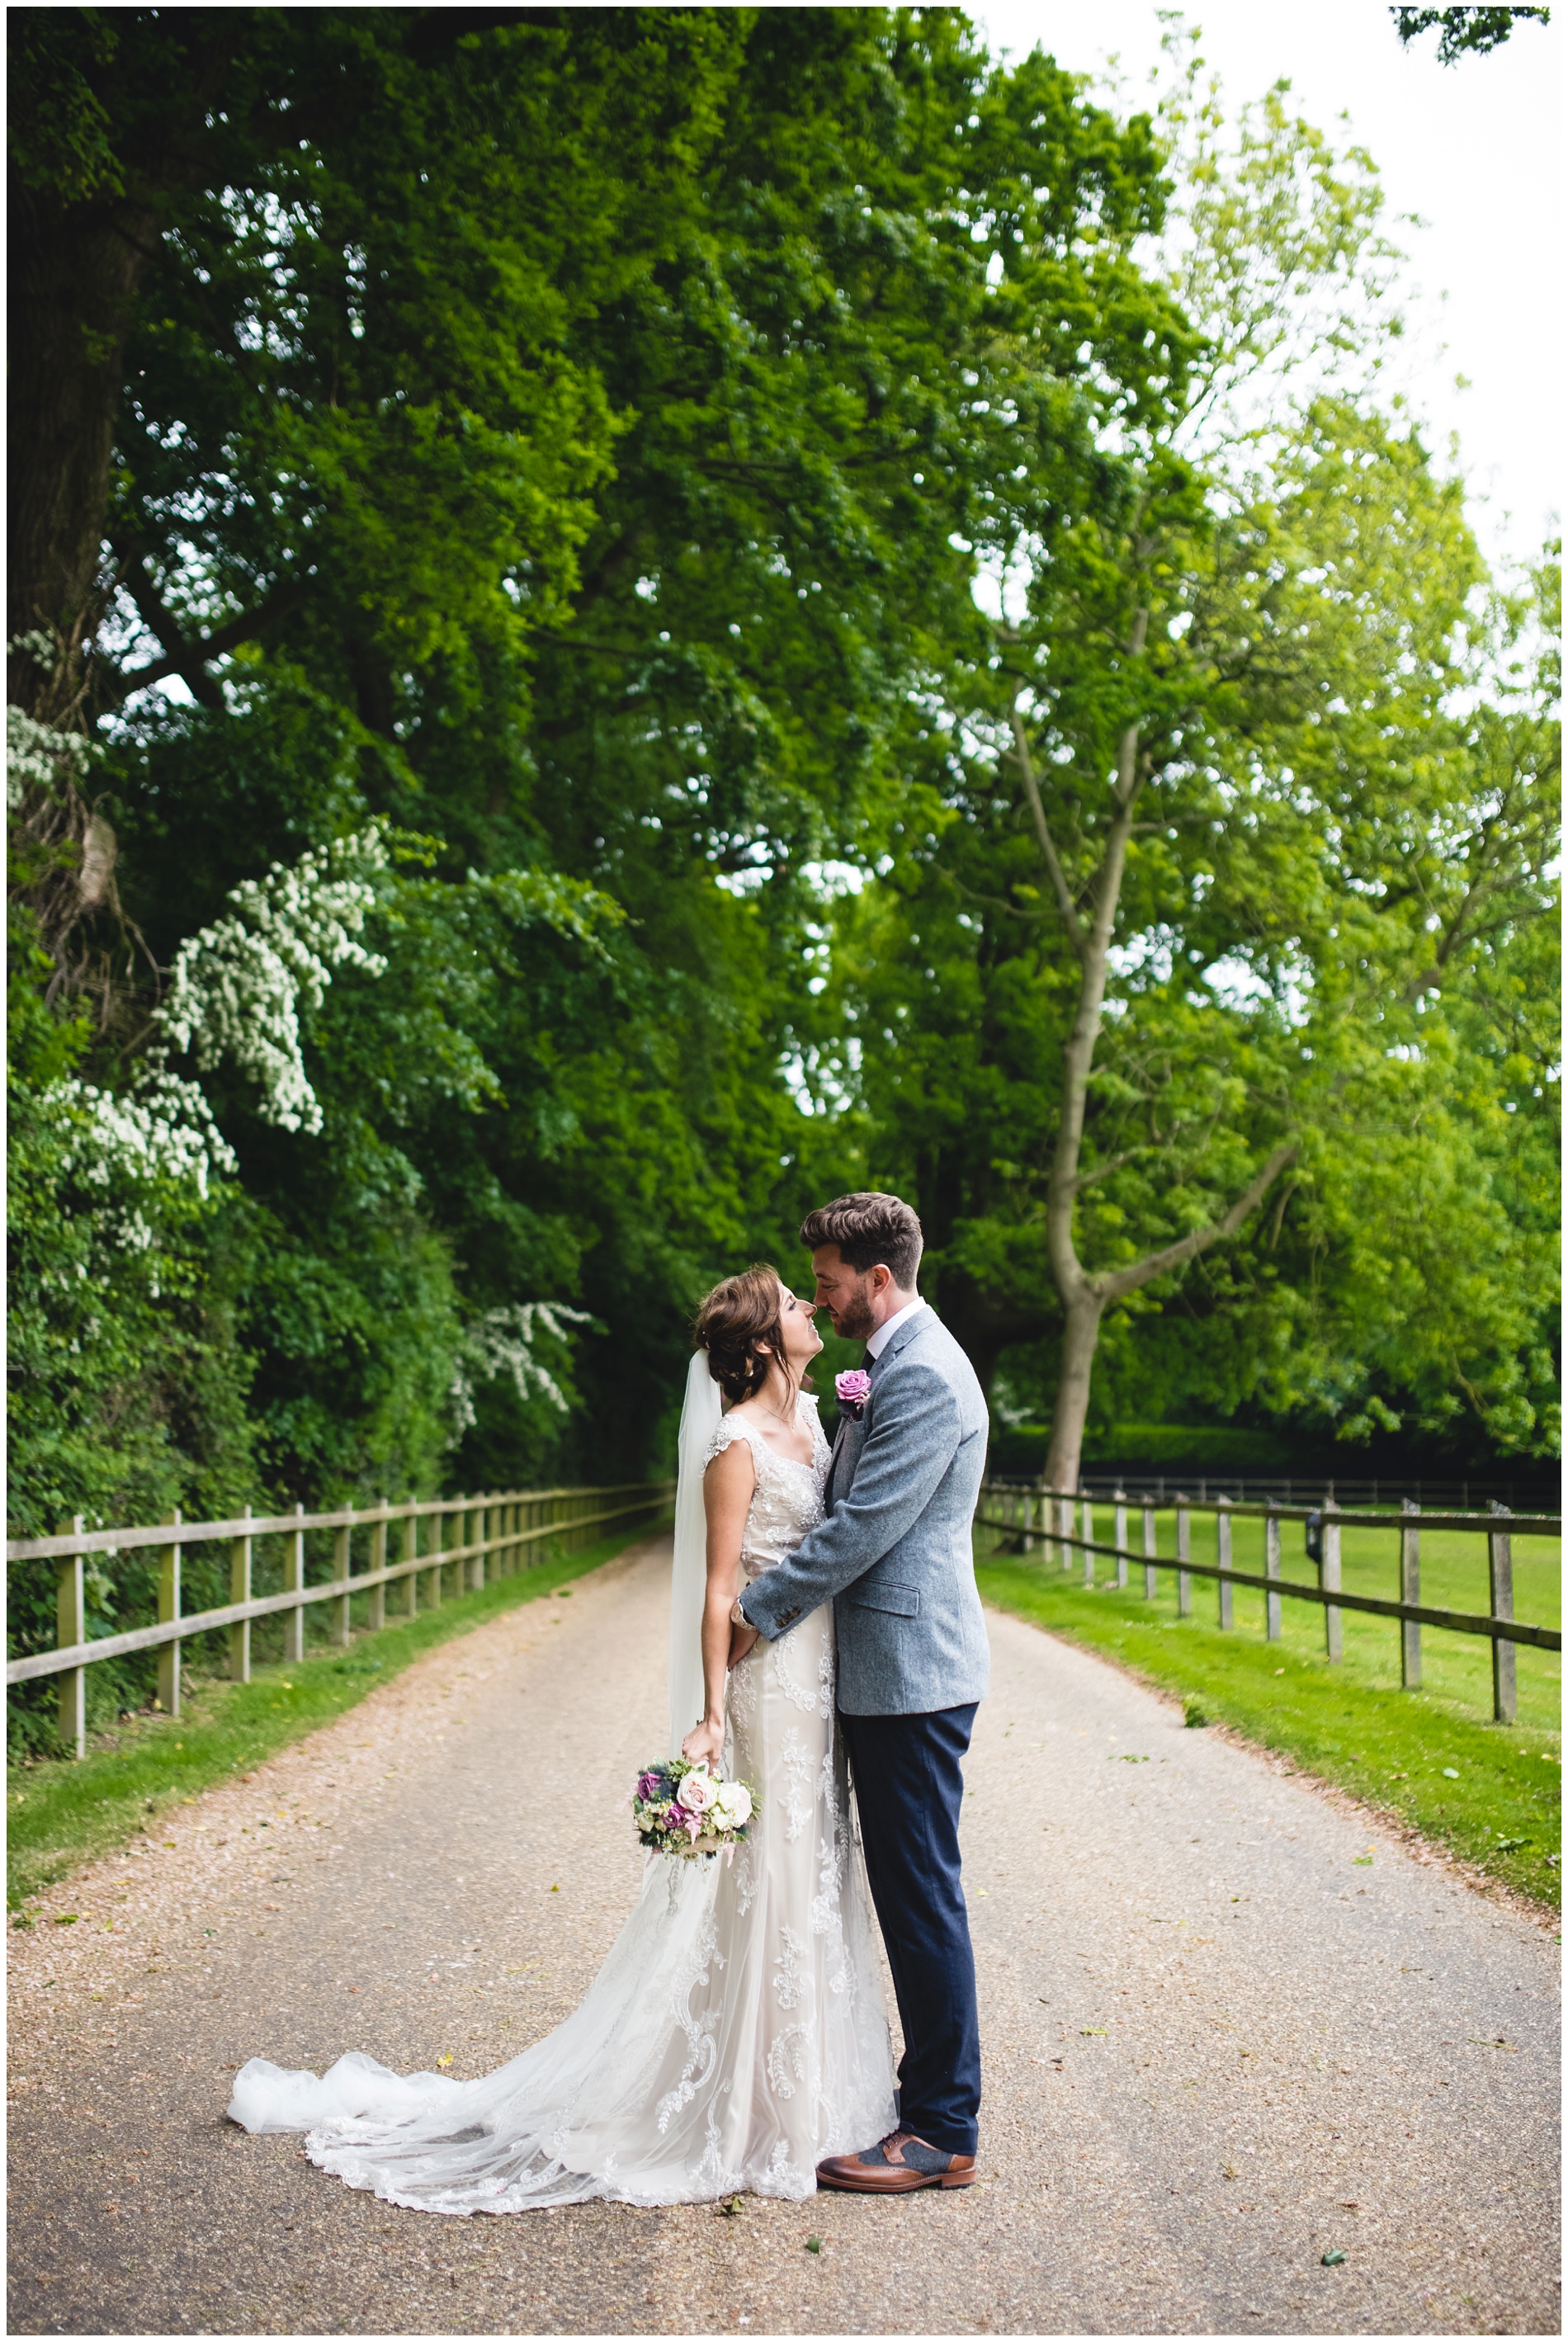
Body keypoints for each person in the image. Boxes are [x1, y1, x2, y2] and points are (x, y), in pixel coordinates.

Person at [225, 1264, 897, 2210]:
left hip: (819, 1679)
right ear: (757, 1345)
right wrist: (710, 1714)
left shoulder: (818, 1420)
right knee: (769, 1877)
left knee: (815, 1869)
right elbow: (714, 1591)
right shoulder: (734, 1445)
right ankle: (745, 2109)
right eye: (792, 1305)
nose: (808, 1311)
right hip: (767, 1687)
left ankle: (810, 2095)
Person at [732, 1191, 989, 2193]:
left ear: (878, 1279)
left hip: (913, 1676)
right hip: (884, 1671)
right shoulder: (888, 1367)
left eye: (831, 1283)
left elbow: (864, 1526)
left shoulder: (923, 1375)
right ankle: (926, 2103)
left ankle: (941, 2129)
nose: (822, 1298)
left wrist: (758, 1608)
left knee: (920, 1896)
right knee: (903, 1887)